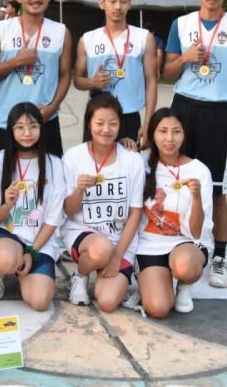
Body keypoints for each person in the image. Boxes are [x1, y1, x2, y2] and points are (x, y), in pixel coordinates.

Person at [162, 0, 227, 289]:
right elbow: (167, 72)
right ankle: (175, 244)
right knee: (176, 178)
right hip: (183, 107)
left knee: (216, 188)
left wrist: (217, 89)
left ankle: (219, 258)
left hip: (217, 111)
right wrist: (186, 59)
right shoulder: (181, 24)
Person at [0, 102, 66, 311]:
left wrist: (32, 253)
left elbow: (53, 219)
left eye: (33, 126)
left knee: (40, 301)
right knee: (4, 260)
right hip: (5, 233)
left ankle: (20, 266)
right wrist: (7, 206)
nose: (27, 133)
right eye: (20, 127)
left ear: (41, 129)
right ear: (10, 130)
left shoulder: (54, 164)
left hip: (38, 240)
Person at [61, 93, 144, 311]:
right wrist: (79, 190)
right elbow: (68, 210)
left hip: (120, 240)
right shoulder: (73, 157)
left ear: (120, 125)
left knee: (107, 303)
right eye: (99, 123)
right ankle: (80, 275)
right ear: (89, 124)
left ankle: (119, 274)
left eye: (113, 124)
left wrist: (118, 257)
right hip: (84, 233)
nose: (106, 130)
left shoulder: (133, 160)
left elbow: (135, 212)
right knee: (100, 251)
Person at [0, 0, 72, 158]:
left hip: (45, 119)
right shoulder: (1, 30)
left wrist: (52, 107)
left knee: (49, 180)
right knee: (2, 179)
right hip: (7, 120)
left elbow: (65, 75)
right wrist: (18, 60)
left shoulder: (60, 32)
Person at [137, 108, 213, 317]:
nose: (169, 138)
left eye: (176, 132)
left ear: (184, 134)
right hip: (150, 245)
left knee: (185, 267)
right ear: (152, 134)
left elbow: (197, 232)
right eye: (162, 131)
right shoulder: (140, 164)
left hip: (185, 243)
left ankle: (185, 286)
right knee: (159, 308)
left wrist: (196, 198)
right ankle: (147, 278)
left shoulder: (199, 171)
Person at [74, 0, 157, 147]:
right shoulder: (88, 39)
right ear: (102, 3)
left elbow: (151, 80)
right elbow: (77, 80)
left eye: (123, 1)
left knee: (129, 170)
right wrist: (92, 82)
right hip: (97, 116)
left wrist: (148, 123)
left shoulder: (143, 38)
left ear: (130, 3)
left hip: (130, 116)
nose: (118, 7)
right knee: (95, 169)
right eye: (112, 1)